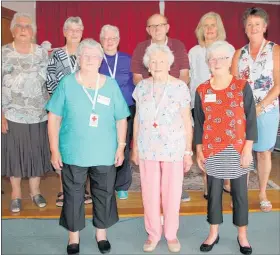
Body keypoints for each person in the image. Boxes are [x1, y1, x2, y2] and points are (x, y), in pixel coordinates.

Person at [46, 39, 130, 254]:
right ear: (79, 58)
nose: (91, 59)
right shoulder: (67, 83)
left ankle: (101, 233)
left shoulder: (110, 84)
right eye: (86, 55)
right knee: (73, 195)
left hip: (105, 152)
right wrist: (54, 149)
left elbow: (121, 118)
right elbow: (54, 117)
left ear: (101, 60)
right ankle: (73, 236)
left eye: (95, 56)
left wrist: (121, 147)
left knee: (104, 193)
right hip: (73, 152)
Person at [194, 41, 257, 255]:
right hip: (212, 149)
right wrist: (199, 149)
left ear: (230, 61)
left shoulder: (242, 86)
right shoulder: (202, 90)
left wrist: (248, 148)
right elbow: (199, 123)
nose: (217, 62)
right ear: (208, 63)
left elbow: (251, 120)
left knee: (240, 194)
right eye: (213, 58)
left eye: (222, 58)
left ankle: (242, 235)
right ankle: (213, 232)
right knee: (213, 193)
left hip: (238, 149)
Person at [132, 44, 193, 253]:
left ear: (169, 64)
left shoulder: (179, 87)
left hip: (173, 148)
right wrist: (134, 147)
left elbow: (187, 120)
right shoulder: (141, 87)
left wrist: (188, 151)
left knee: (172, 193)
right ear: (148, 66)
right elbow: (137, 118)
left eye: (161, 61)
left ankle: (171, 234)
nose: (157, 65)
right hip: (147, 147)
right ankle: (153, 233)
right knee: (149, 194)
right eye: (153, 61)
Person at [131, 12, 191, 202]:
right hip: (149, 101)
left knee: (175, 150)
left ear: (167, 27)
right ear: (147, 30)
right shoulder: (141, 48)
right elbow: (137, 77)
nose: (156, 29)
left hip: (174, 103)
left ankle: (174, 189)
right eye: (152, 26)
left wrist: (174, 96)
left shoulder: (178, 46)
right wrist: (151, 95)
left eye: (160, 25)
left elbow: (184, 74)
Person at [1, 12, 51, 213]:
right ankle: (16, 194)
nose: (23, 29)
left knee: (36, 155)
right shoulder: (3, 53)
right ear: (12, 30)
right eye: (19, 26)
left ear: (33, 33)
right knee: (14, 156)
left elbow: (49, 83)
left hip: (39, 115)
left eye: (28, 26)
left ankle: (35, 191)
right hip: (11, 114)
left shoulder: (41, 53)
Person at [231, 7, 280, 213]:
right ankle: (240, 195)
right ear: (245, 27)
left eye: (257, 24)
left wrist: (260, 107)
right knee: (243, 153)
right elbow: (233, 86)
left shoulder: (275, 50)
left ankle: (262, 193)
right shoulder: (238, 53)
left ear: (265, 27)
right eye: (249, 24)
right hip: (242, 112)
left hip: (267, 109)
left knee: (262, 154)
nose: (253, 27)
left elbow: (278, 84)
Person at [46, 16, 92, 207]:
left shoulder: (88, 53)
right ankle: (64, 189)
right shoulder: (56, 55)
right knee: (63, 150)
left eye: (78, 30)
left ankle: (85, 189)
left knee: (86, 148)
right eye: (71, 30)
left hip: (87, 111)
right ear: (64, 32)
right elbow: (51, 83)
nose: (74, 33)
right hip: (64, 112)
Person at [189, 12, 234, 199]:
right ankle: (208, 184)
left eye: (212, 25)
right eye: (205, 25)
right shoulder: (194, 51)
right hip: (200, 102)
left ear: (219, 28)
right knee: (205, 145)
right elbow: (190, 79)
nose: (209, 29)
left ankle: (227, 180)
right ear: (200, 29)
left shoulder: (229, 49)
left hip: (223, 103)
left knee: (225, 143)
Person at [99, 24, 135, 200]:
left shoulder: (128, 59)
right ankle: (105, 183)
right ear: (101, 41)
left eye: (113, 38)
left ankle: (122, 185)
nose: (109, 42)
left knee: (123, 146)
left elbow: (136, 85)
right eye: (106, 38)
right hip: (101, 110)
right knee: (103, 146)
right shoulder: (96, 59)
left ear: (118, 41)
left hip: (125, 109)